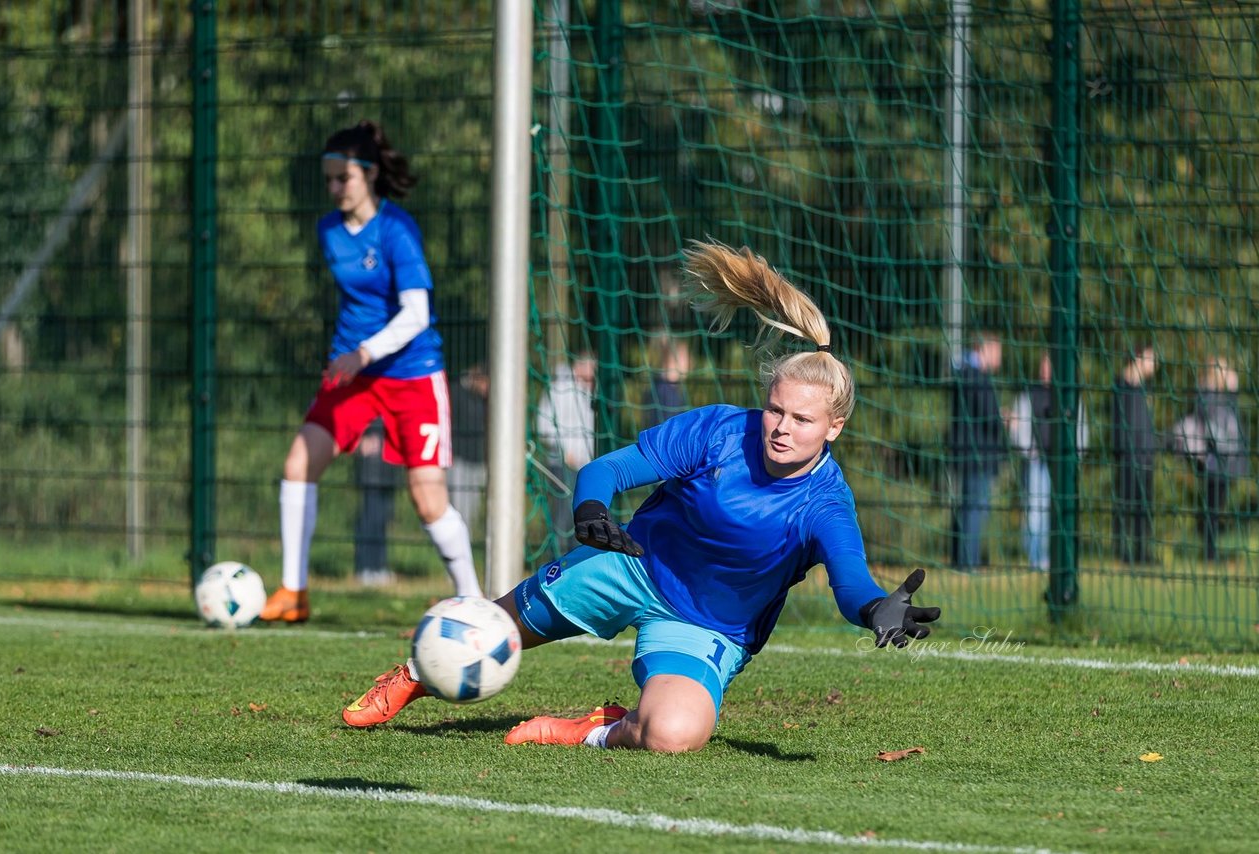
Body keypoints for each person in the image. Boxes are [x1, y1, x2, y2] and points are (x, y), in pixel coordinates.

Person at [340, 240, 940, 753]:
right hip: (632, 566)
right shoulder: (719, 431)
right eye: (775, 409)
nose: (782, 427)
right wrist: (591, 512)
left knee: (674, 734)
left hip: (708, 626)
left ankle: (596, 730)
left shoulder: (826, 504)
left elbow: (849, 582)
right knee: (491, 629)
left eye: (802, 420)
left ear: (833, 428)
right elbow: (608, 469)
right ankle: (415, 673)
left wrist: (872, 609)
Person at [260, 119, 482, 623]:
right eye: (329, 180)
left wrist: (364, 352)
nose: (335, 189)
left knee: (427, 500)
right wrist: (354, 358)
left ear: (370, 175)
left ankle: (474, 602)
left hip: (412, 374)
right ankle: (293, 592)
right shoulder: (328, 231)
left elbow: (417, 314)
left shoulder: (398, 230)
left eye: (344, 179)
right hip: (354, 377)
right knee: (299, 463)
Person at [1008, 353, 1089, 572]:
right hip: (1037, 462)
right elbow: (1019, 426)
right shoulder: (1030, 394)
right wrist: (1028, 450)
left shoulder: (1069, 395)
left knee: (1060, 511)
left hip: (1061, 464)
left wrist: (1075, 458)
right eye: (1044, 364)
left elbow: (1080, 428)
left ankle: (1059, 558)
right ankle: (1036, 558)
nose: (1047, 370)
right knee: (1035, 510)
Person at [1171, 357, 1248, 561]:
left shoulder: (1218, 397)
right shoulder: (1207, 396)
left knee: (1215, 507)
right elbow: (1215, 423)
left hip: (1224, 463)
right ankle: (1209, 553)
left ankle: (1210, 550)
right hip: (1213, 462)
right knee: (1211, 508)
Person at [948, 333, 1007, 570]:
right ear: (986, 349)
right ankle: (967, 562)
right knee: (974, 508)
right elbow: (989, 416)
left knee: (967, 507)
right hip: (977, 455)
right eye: (997, 350)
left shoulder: (964, 373)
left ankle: (962, 559)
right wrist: (1004, 419)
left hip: (967, 454)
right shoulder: (976, 377)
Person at [536, 357, 597, 554]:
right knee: (562, 518)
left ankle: (575, 562)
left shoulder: (589, 390)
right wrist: (565, 451)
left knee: (582, 515)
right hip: (562, 464)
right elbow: (543, 425)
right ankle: (553, 562)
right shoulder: (560, 387)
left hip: (585, 465)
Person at [1111, 343, 1157, 564]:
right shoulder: (1122, 385)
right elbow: (1119, 424)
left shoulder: (1143, 389)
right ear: (1139, 357)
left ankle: (1141, 551)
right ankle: (1122, 551)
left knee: (1143, 506)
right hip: (1129, 456)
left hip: (1146, 455)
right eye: (1151, 358)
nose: (1154, 364)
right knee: (1125, 504)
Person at [352, 418, 399, 587]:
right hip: (371, 469)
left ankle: (379, 566)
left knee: (382, 520)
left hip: (388, 468)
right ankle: (365, 567)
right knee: (370, 519)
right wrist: (359, 441)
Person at [447, 362, 489, 533]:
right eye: (485, 383)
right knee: (459, 509)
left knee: (471, 510)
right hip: (459, 460)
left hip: (478, 461)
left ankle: (466, 543)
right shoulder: (455, 391)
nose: (487, 388)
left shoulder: (486, 400)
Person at [642, 336, 692, 429]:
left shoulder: (668, 388)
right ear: (672, 359)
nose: (689, 363)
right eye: (685, 358)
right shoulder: (664, 391)